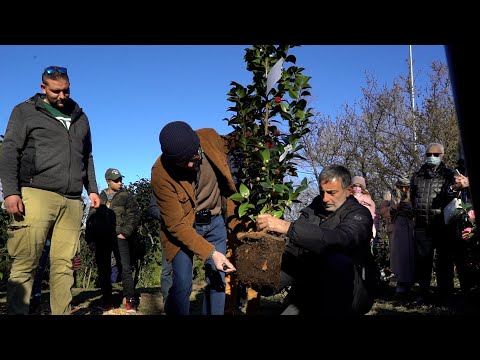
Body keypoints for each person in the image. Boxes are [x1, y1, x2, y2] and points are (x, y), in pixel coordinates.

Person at [0, 65, 100, 315]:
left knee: (64, 265)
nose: (62, 96)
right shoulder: (24, 111)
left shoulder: (81, 117)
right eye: (56, 91)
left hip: (73, 199)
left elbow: (86, 156)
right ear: (43, 88)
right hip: (36, 193)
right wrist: (10, 192)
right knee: (26, 262)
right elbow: (10, 150)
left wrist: (93, 190)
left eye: (66, 90)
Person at [256, 164, 376, 315]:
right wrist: (267, 276)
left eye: (332, 192)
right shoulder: (312, 211)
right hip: (310, 289)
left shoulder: (360, 214)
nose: (325, 198)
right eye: (322, 192)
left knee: (337, 260)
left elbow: (342, 240)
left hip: (350, 293)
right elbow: (295, 250)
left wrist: (288, 227)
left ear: (348, 191)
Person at [151, 121, 237, 315]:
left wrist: (264, 135)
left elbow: (234, 141)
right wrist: (211, 253)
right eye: (183, 162)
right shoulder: (160, 174)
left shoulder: (208, 137)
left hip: (215, 223)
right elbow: (176, 225)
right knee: (182, 284)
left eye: (193, 157)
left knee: (218, 279)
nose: (191, 164)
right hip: (184, 229)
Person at [85, 168, 141, 313]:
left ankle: (130, 300)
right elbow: (91, 219)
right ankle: (107, 301)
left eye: (121, 179)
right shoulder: (100, 197)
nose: (120, 182)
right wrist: (90, 239)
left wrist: (124, 233)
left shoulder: (127, 196)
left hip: (120, 237)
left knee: (125, 268)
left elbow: (134, 215)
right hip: (102, 239)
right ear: (108, 182)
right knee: (103, 270)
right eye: (116, 180)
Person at [410, 142, 456, 305]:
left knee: (444, 262)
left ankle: (446, 295)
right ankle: (423, 294)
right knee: (423, 262)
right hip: (422, 226)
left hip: (443, 226)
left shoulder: (450, 175)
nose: (432, 157)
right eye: (429, 154)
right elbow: (413, 198)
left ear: (442, 156)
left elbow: (453, 197)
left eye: (436, 155)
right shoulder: (417, 176)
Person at [379, 174, 415, 297]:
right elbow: (382, 212)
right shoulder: (389, 195)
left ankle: (410, 284)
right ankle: (400, 285)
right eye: (401, 186)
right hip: (396, 228)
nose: (404, 189)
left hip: (410, 227)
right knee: (398, 257)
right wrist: (394, 207)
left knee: (410, 256)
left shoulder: (414, 195)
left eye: (406, 187)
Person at [147, 193, 173, 304]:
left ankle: (182, 300)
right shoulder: (160, 184)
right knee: (167, 269)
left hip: (186, 232)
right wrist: (165, 217)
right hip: (167, 233)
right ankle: (167, 300)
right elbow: (152, 208)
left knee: (184, 270)